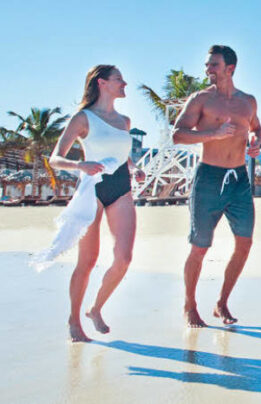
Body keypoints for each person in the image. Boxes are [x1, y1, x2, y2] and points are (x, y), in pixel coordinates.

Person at [47, 65, 145, 342]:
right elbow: (55, 158)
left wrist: (134, 166)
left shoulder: (124, 121)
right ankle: (74, 320)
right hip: (92, 189)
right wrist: (80, 164)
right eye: (118, 79)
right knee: (87, 262)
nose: (124, 83)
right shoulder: (84, 118)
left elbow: (120, 153)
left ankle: (96, 308)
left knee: (124, 259)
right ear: (102, 83)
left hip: (121, 188)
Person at [172, 45, 261, 328]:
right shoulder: (201, 99)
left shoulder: (248, 102)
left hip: (239, 179)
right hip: (208, 178)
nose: (207, 69)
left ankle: (222, 302)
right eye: (208, 64)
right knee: (200, 247)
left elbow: (257, 128)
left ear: (230, 69)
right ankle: (190, 304)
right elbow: (177, 135)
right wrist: (213, 134)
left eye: (213, 65)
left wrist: (256, 141)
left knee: (245, 243)